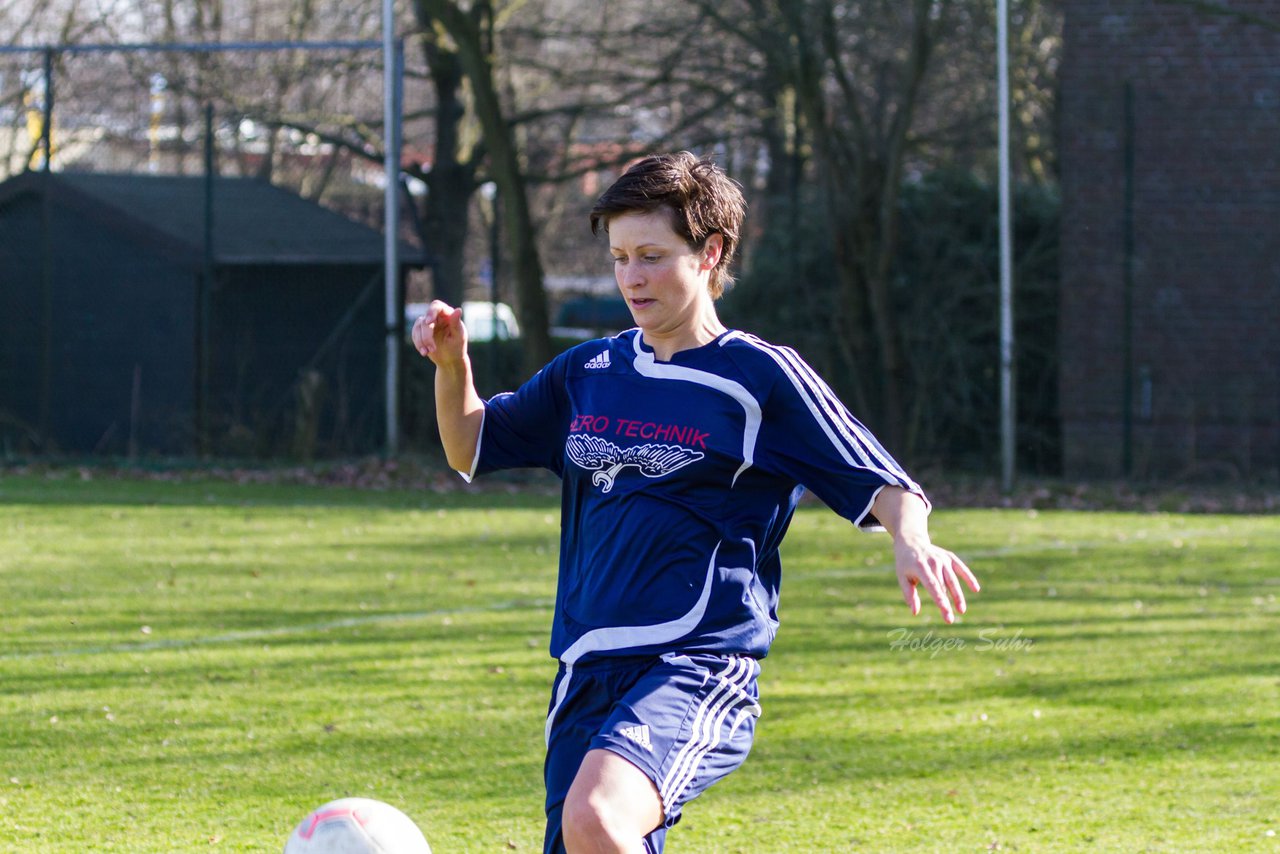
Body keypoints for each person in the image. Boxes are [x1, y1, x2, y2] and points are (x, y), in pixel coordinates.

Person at [413, 151, 979, 854]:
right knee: (591, 837)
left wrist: (911, 537)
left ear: (710, 252)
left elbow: (877, 475)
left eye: (652, 255)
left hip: (695, 664)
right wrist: (453, 367)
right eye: (620, 257)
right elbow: (470, 444)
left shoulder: (758, 376)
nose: (631, 277)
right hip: (586, 668)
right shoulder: (588, 372)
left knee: (596, 819)